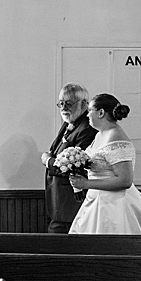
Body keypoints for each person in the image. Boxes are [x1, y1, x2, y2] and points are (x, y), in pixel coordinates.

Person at [68, 93, 141, 235]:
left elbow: (125, 180)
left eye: (89, 111)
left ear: (101, 113)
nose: (87, 115)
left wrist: (86, 184)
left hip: (113, 205)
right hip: (95, 200)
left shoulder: (115, 136)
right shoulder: (100, 134)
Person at [41, 83, 97, 233]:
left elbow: (77, 168)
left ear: (85, 103)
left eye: (69, 103)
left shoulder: (87, 129)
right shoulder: (70, 122)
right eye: (61, 103)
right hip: (58, 202)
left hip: (71, 204)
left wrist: (47, 161)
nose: (64, 108)